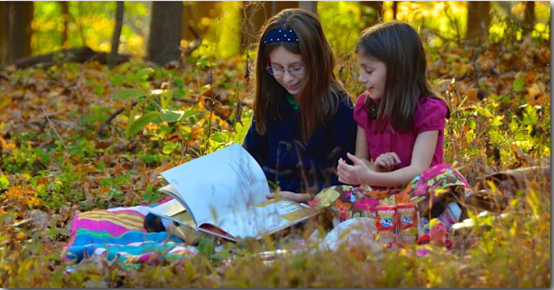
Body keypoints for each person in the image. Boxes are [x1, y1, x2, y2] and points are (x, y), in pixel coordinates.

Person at [309, 21, 474, 246]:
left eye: (369, 71)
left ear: (398, 70)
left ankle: (434, 229)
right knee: (329, 196)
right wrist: (369, 169)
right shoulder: (365, 107)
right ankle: (385, 230)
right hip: (380, 199)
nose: (361, 79)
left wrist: (370, 177)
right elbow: (363, 160)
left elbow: (419, 169)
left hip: (420, 195)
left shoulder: (429, 109)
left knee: (445, 176)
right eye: (361, 70)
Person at [243, 8, 358, 204]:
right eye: (277, 68)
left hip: (314, 208)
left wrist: (305, 198)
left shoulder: (341, 109)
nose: (287, 78)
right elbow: (250, 158)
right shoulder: (272, 101)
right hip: (265, 202)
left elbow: (348, 182)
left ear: (316, 62)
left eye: (296, 67)